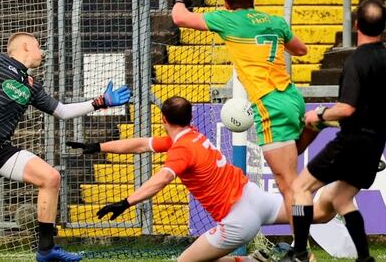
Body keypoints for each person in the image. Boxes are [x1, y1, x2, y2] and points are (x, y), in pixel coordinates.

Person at [0, 32, 132, 262]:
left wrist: (99, 102)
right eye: (39, 47)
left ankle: (46, 250)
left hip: (0, 149)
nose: (42, 53)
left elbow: (63, 112)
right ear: (26, 46)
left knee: (51, 178)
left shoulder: (33, 86)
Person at [72, 96, 288, 262]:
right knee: (311, 212)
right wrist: (99, 147)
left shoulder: (182, 149)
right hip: (252, 196)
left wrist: (127, 202)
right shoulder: (191, 136)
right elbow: (140, 145)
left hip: (238, 220)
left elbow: (161, 179)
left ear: (163, 118)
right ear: (190, 118)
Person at [171, 0, 312, 227]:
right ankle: (315, 123)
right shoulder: (275, 21)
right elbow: (301, 50)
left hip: (269, 104)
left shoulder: (227, 19)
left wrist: (181, 0)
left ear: (226, 3)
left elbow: (179, 17)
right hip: (292, 98)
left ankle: (302, 252)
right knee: (290, 159)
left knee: (288, 183)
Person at [281, 0, 386, 262]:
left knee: (301, 186)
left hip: (350, 141)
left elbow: (346, 108)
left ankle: (300, 252)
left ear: (356, 25)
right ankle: (364, 258)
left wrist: (320, 115)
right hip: (375, 144)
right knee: (342, 198)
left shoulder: (355, 61)